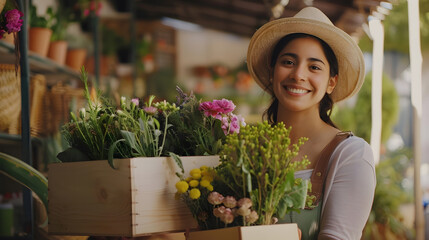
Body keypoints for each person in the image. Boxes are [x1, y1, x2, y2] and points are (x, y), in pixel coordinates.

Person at [247, 7, 376, 240]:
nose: (298, 74)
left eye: (314, 67)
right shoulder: (247, 151)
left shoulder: (350, 154)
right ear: (272, 71)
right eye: (288, 61)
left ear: (331, 83)